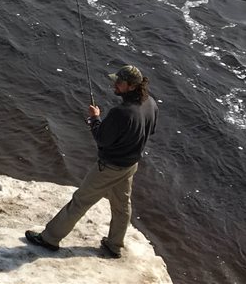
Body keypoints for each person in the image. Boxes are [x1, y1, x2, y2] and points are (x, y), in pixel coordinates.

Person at [25, 65, 158, 258]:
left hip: (109, 167)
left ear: (131, 86)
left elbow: (102, 139)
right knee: (122, 206)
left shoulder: (122, 112)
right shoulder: (151, 104)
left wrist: (94, 119)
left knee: (80, 201)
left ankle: (50, 238)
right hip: (130, 165)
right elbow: (149, 130)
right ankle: (114, 244)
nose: (115, 84)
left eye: (119, 82)